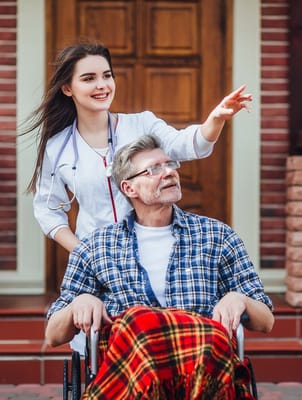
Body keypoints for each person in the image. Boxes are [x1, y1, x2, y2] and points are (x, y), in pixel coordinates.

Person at [46, 134, 274, 399]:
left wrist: (239, 299)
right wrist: (79, 302)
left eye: (170, 164)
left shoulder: (217, 236)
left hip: (203, 375)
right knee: (137, 322)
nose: (169, 173)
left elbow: (266, 321)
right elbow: (53, 335)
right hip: (133, 378)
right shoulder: (96, 247)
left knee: (146, 321)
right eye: (154, 169)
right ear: (129, 188)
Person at [24, 42, 252, 254]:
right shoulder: (57, 147)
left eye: (107, 75)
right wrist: (84, 253)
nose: (102, 85)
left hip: (153, 252)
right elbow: (47, 210)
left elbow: (188, 145)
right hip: (98, 259)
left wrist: (216, 119)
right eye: (88, 78)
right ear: (67, 88)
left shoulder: (142, 124)